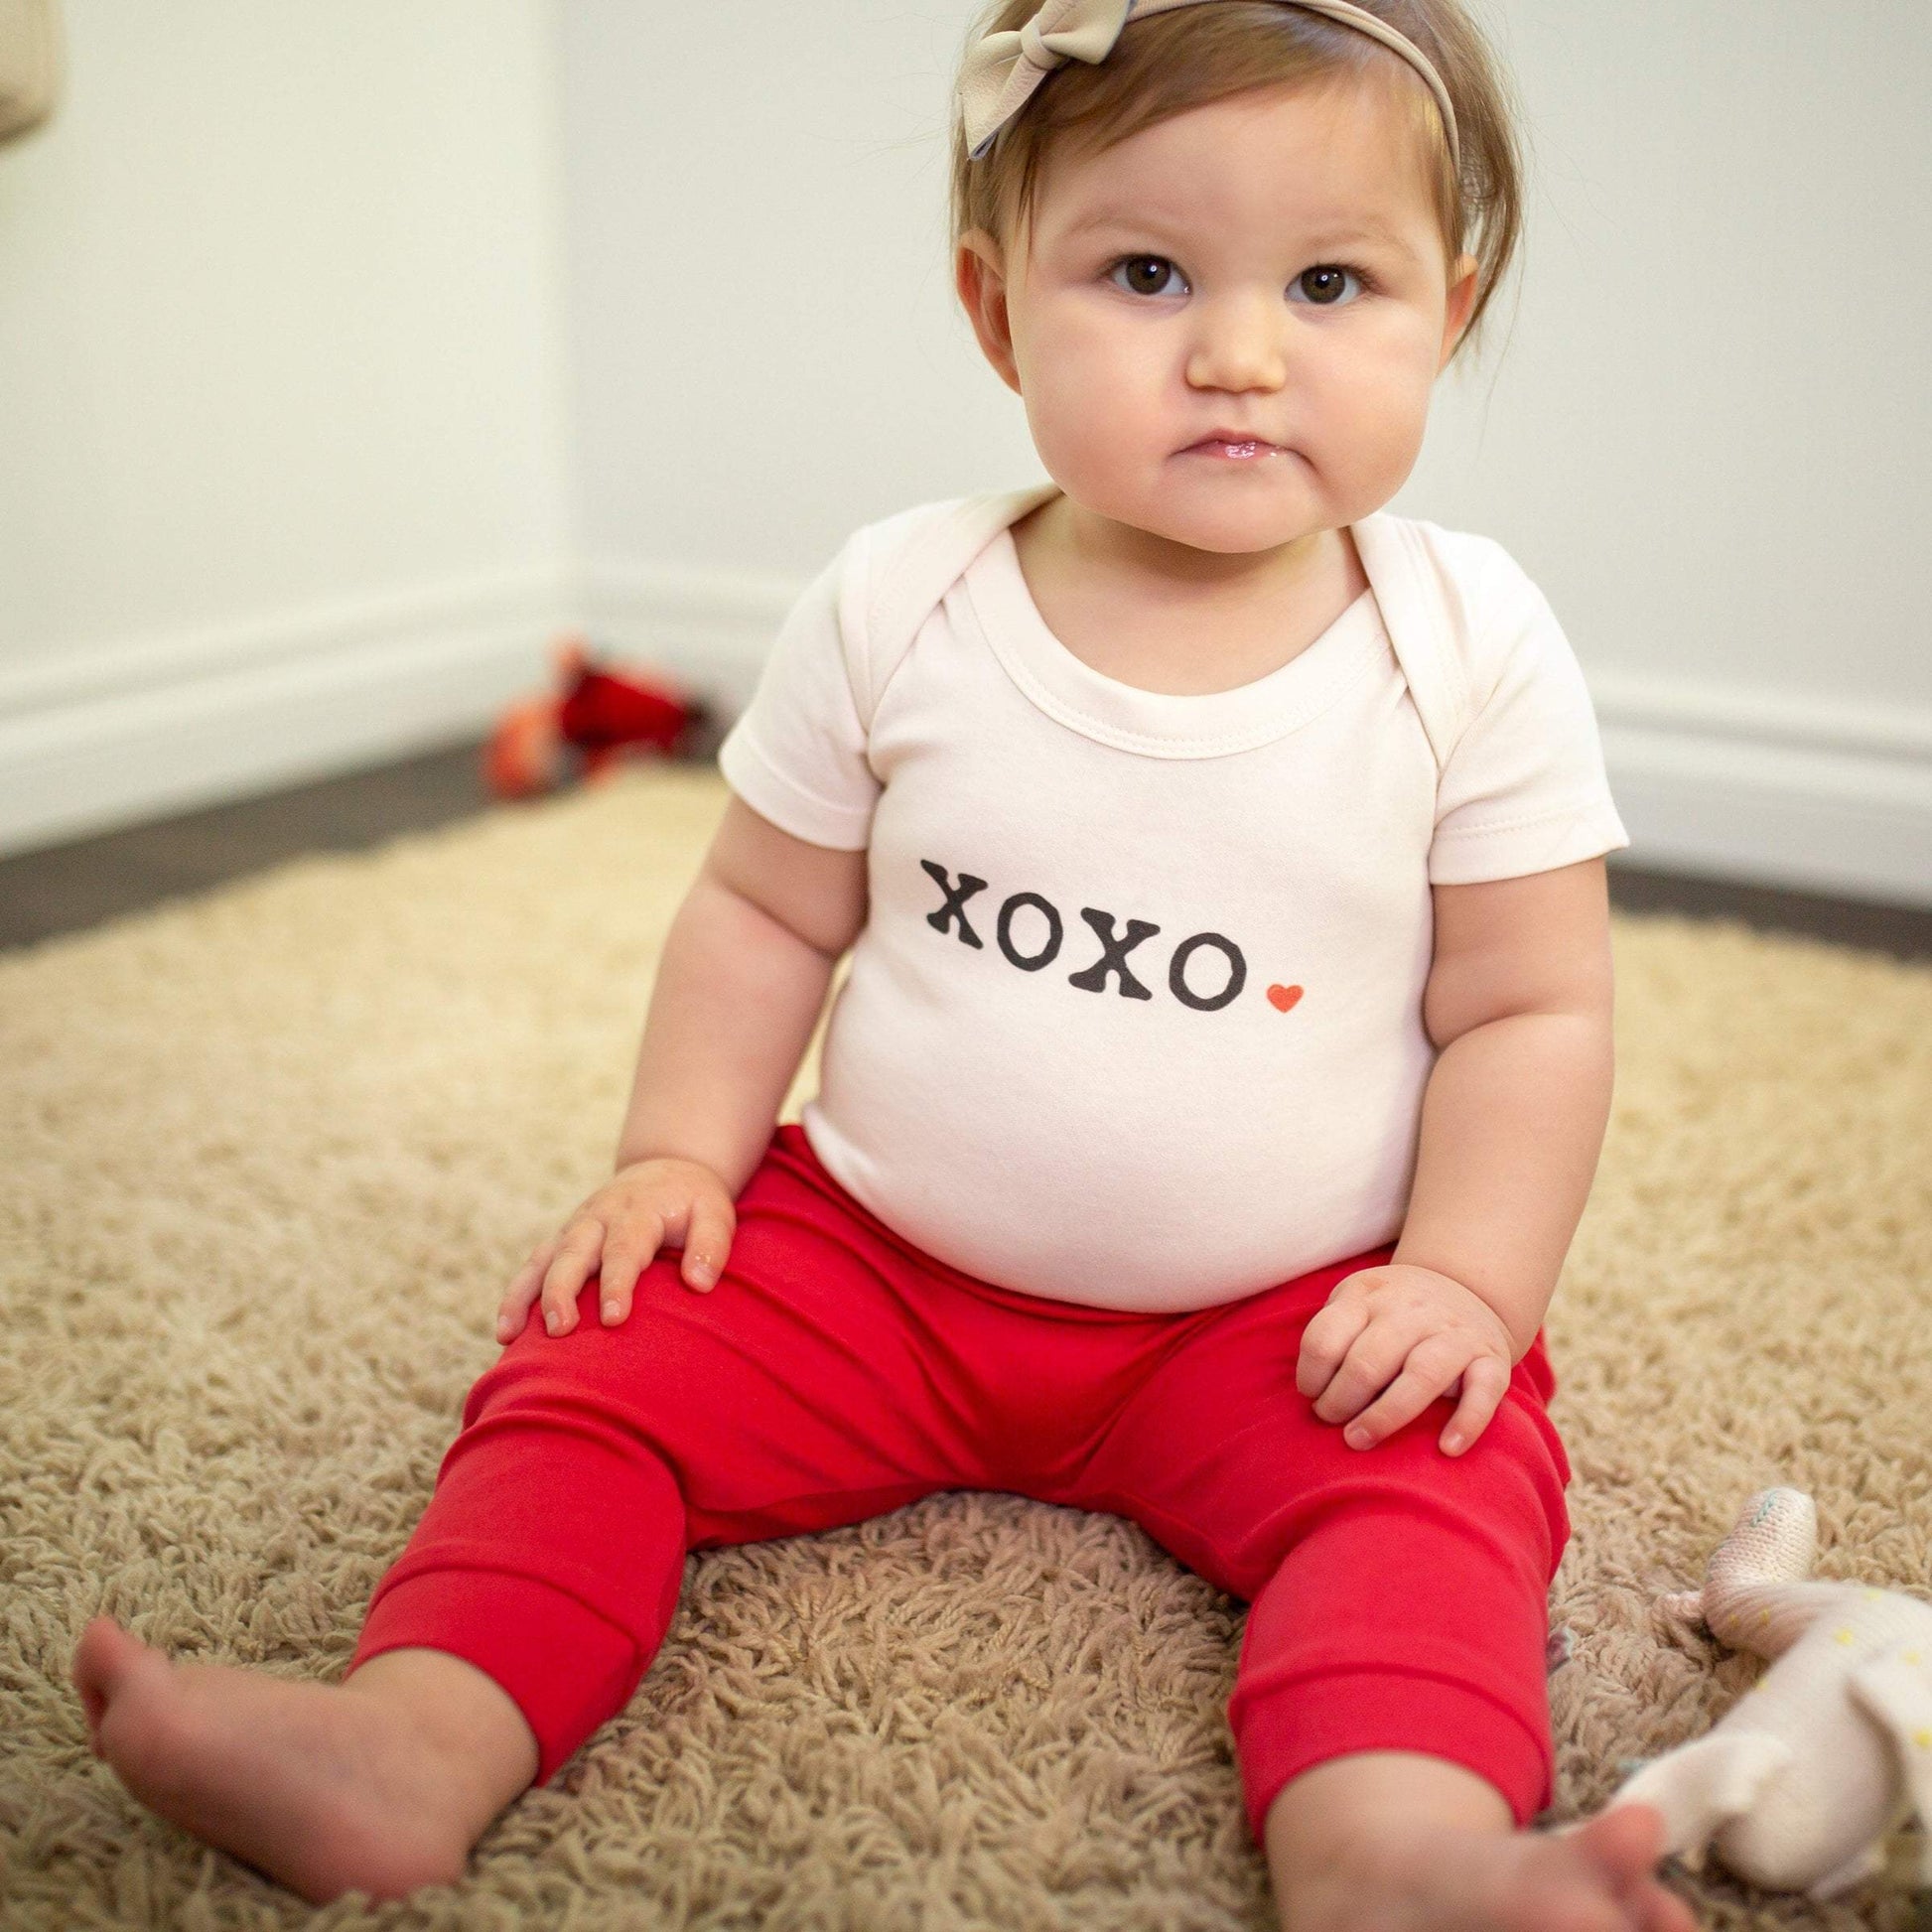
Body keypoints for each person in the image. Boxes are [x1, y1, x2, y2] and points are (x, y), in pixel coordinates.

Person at [72, 2, 1695, 1924]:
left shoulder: (1466, 645)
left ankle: (1395, 1844)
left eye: (1331, 284)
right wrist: (678, 1153)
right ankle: (414, 1731)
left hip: (1282, 1306)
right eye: (1147, 273)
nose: (1240, 353)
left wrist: (1460, 1279)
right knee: (598, 1361)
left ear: (1449, 308)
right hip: (876, 1264)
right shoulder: (901, 600)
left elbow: (1526, 1007)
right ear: (995, 307)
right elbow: (767, 909)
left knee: (1432, 1478)